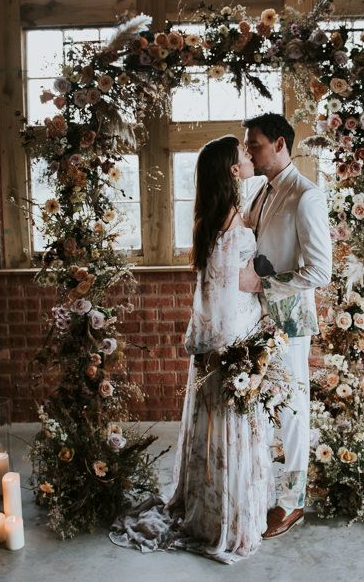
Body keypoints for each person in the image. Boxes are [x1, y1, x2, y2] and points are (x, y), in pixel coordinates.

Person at [109, 135, 272, 563]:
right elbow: (233, 292)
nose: (250, 156)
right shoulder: (234, 225)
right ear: (233, 171)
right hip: (233, 340)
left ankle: (214, 509)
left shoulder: (213, 218)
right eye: (243, 155)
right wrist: (247, 339)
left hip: (221, 340)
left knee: (216, 428)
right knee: (231, 425)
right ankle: (228, 520)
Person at [239, 113, 332, 539]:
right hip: (252, 317)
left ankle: (294, 500)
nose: (248, 152)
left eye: (254, 145)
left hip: (290, 320)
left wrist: (266, 283)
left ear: (279, 143)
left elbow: (320, 271)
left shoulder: (306, 196)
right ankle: (258, 486)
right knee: (255, 403)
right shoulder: (260, 189)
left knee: (293, 411)